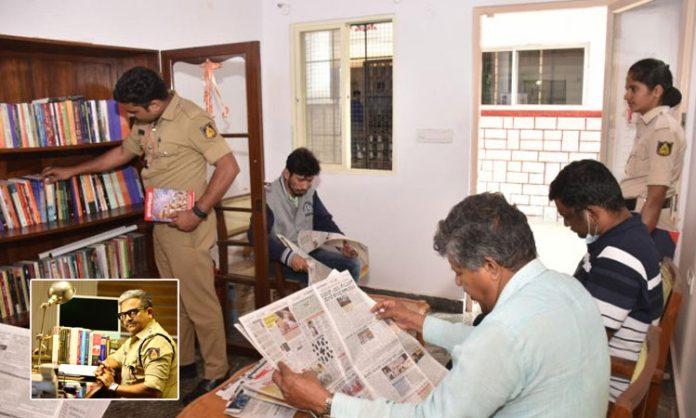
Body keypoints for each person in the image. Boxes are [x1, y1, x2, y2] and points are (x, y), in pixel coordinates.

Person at [271, 193, 610, 417]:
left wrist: (327, 402)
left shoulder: (504, 333)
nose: (459, 283)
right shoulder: (565, 287)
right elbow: (506, 352)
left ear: (491, 266)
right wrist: (421, 323)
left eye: (459, 272)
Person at [42, 66, 239, 403]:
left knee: (201, 303)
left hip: (189, 227)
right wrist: (71, 171)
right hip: (162, 225)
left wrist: (199, 211)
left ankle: (217, 372)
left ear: (153, 103)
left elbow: (229, 167)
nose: (129, 117)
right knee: (177, 300)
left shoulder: (192, 118)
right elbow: (122, 153)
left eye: (132, 112)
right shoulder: (146, 120)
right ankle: (188, 364)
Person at [549, 159, 663, 401]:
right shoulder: (628, 231)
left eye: (567, 216)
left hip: (604, 386)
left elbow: (589, 341)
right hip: (602, 366)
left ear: (591, 213)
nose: (567, 224)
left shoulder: (619, 257)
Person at [252, 147, 360, 282]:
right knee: (328, 276)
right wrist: (288, 257)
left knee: (352, 265)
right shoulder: (268, 197)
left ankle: (339, 302)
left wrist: (342, 244)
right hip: (279, 259)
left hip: (307, 253)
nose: (304, 186)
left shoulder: (309, 193)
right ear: (286, 173)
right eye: (300, 179)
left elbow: (323, 221)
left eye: (309, 180)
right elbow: (255, 236)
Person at [621, 58, 685, 259]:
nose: (627, 95)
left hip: (648, 226)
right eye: (627, 89)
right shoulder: (649, 125)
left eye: (634, 89)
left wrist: (636, 243)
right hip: (638, 221)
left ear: (656, 91)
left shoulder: (662, 129)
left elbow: (656, 196)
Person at [95, 289, 177, 398]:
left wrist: (113, 386)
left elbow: (152, 390)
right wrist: (104, 366)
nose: (127, 319)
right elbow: (115, 358)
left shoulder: (156, 343)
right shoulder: (136, 338)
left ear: (149, 312)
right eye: (123, 315)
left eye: (132, 312)